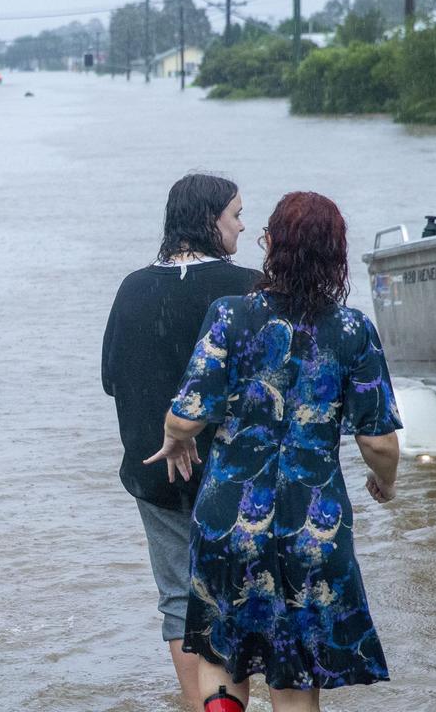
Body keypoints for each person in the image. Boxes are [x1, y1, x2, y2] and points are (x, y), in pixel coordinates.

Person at [146, 191, 402, 712]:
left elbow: (186, 414)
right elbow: (377, 440)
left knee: (222, 657)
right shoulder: (352, 329)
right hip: (313, 524)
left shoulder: (230, 315)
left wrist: (176, 438)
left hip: (226, 521)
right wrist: (387, 482)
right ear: (336, 253)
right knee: (293, 676)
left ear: (272, 245)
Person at [101, 173, 259, 710]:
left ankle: (198, 706)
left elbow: (110, 379)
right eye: (236, 214)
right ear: (211, 219)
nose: (242, 224)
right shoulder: (251, 288)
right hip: (240, 478)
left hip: (154, 471)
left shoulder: (132, 288)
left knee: (178, 596)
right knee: (242, 594)